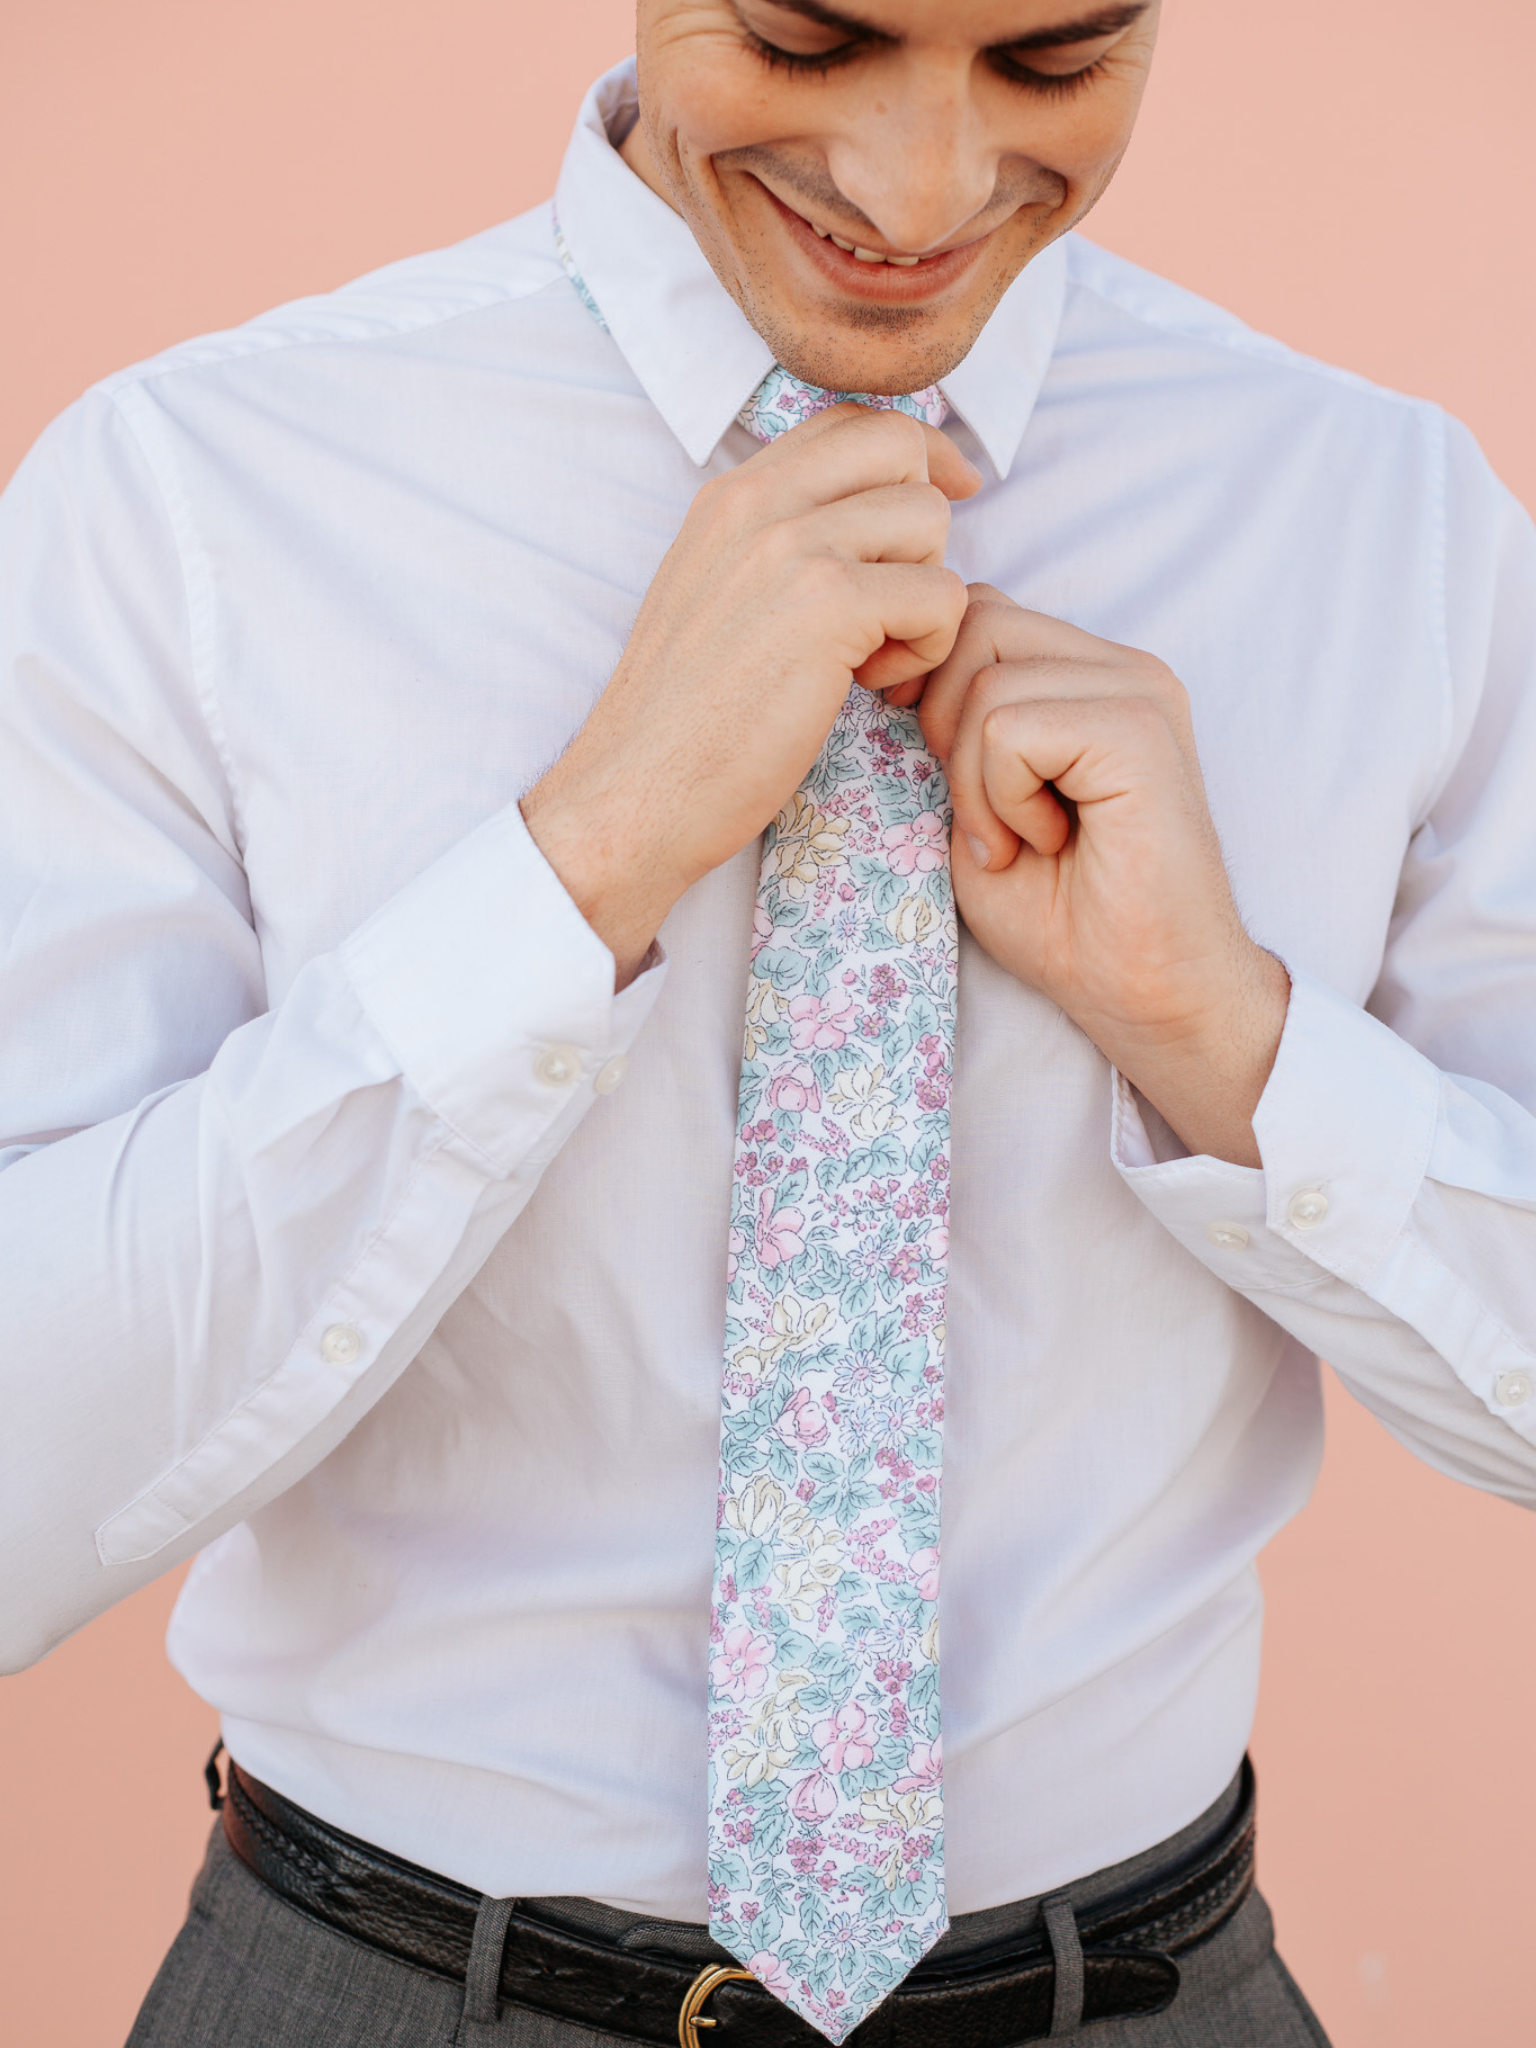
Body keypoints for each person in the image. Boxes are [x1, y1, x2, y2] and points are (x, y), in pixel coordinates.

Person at [4, 0, 1535, 2042]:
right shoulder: (194, 500)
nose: (920, 189)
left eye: (1052, 65)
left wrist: (1229, 1039)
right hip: (373, 1988)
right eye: (815, 40)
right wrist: (580, 866)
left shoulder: (1378, 520)